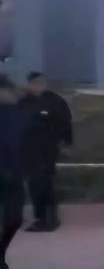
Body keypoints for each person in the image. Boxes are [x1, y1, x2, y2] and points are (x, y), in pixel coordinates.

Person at [19, 71, 72, 232]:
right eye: (34, 83)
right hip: (29, 149)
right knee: (37, 182)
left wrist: (65, 141)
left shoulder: (54, 101)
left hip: (47, 148)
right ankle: (44, 217)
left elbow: (66, 122)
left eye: (40, 83)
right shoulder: (23, 102)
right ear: (29, 84)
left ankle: (47, 219)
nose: (37, 86)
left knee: (43, 181)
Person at [0, 75, 29, 269]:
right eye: (8, 91)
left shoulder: (16, 114)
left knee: (14, 219)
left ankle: (0, 255)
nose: (13, 94)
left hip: (15, 174)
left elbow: (26, 141)